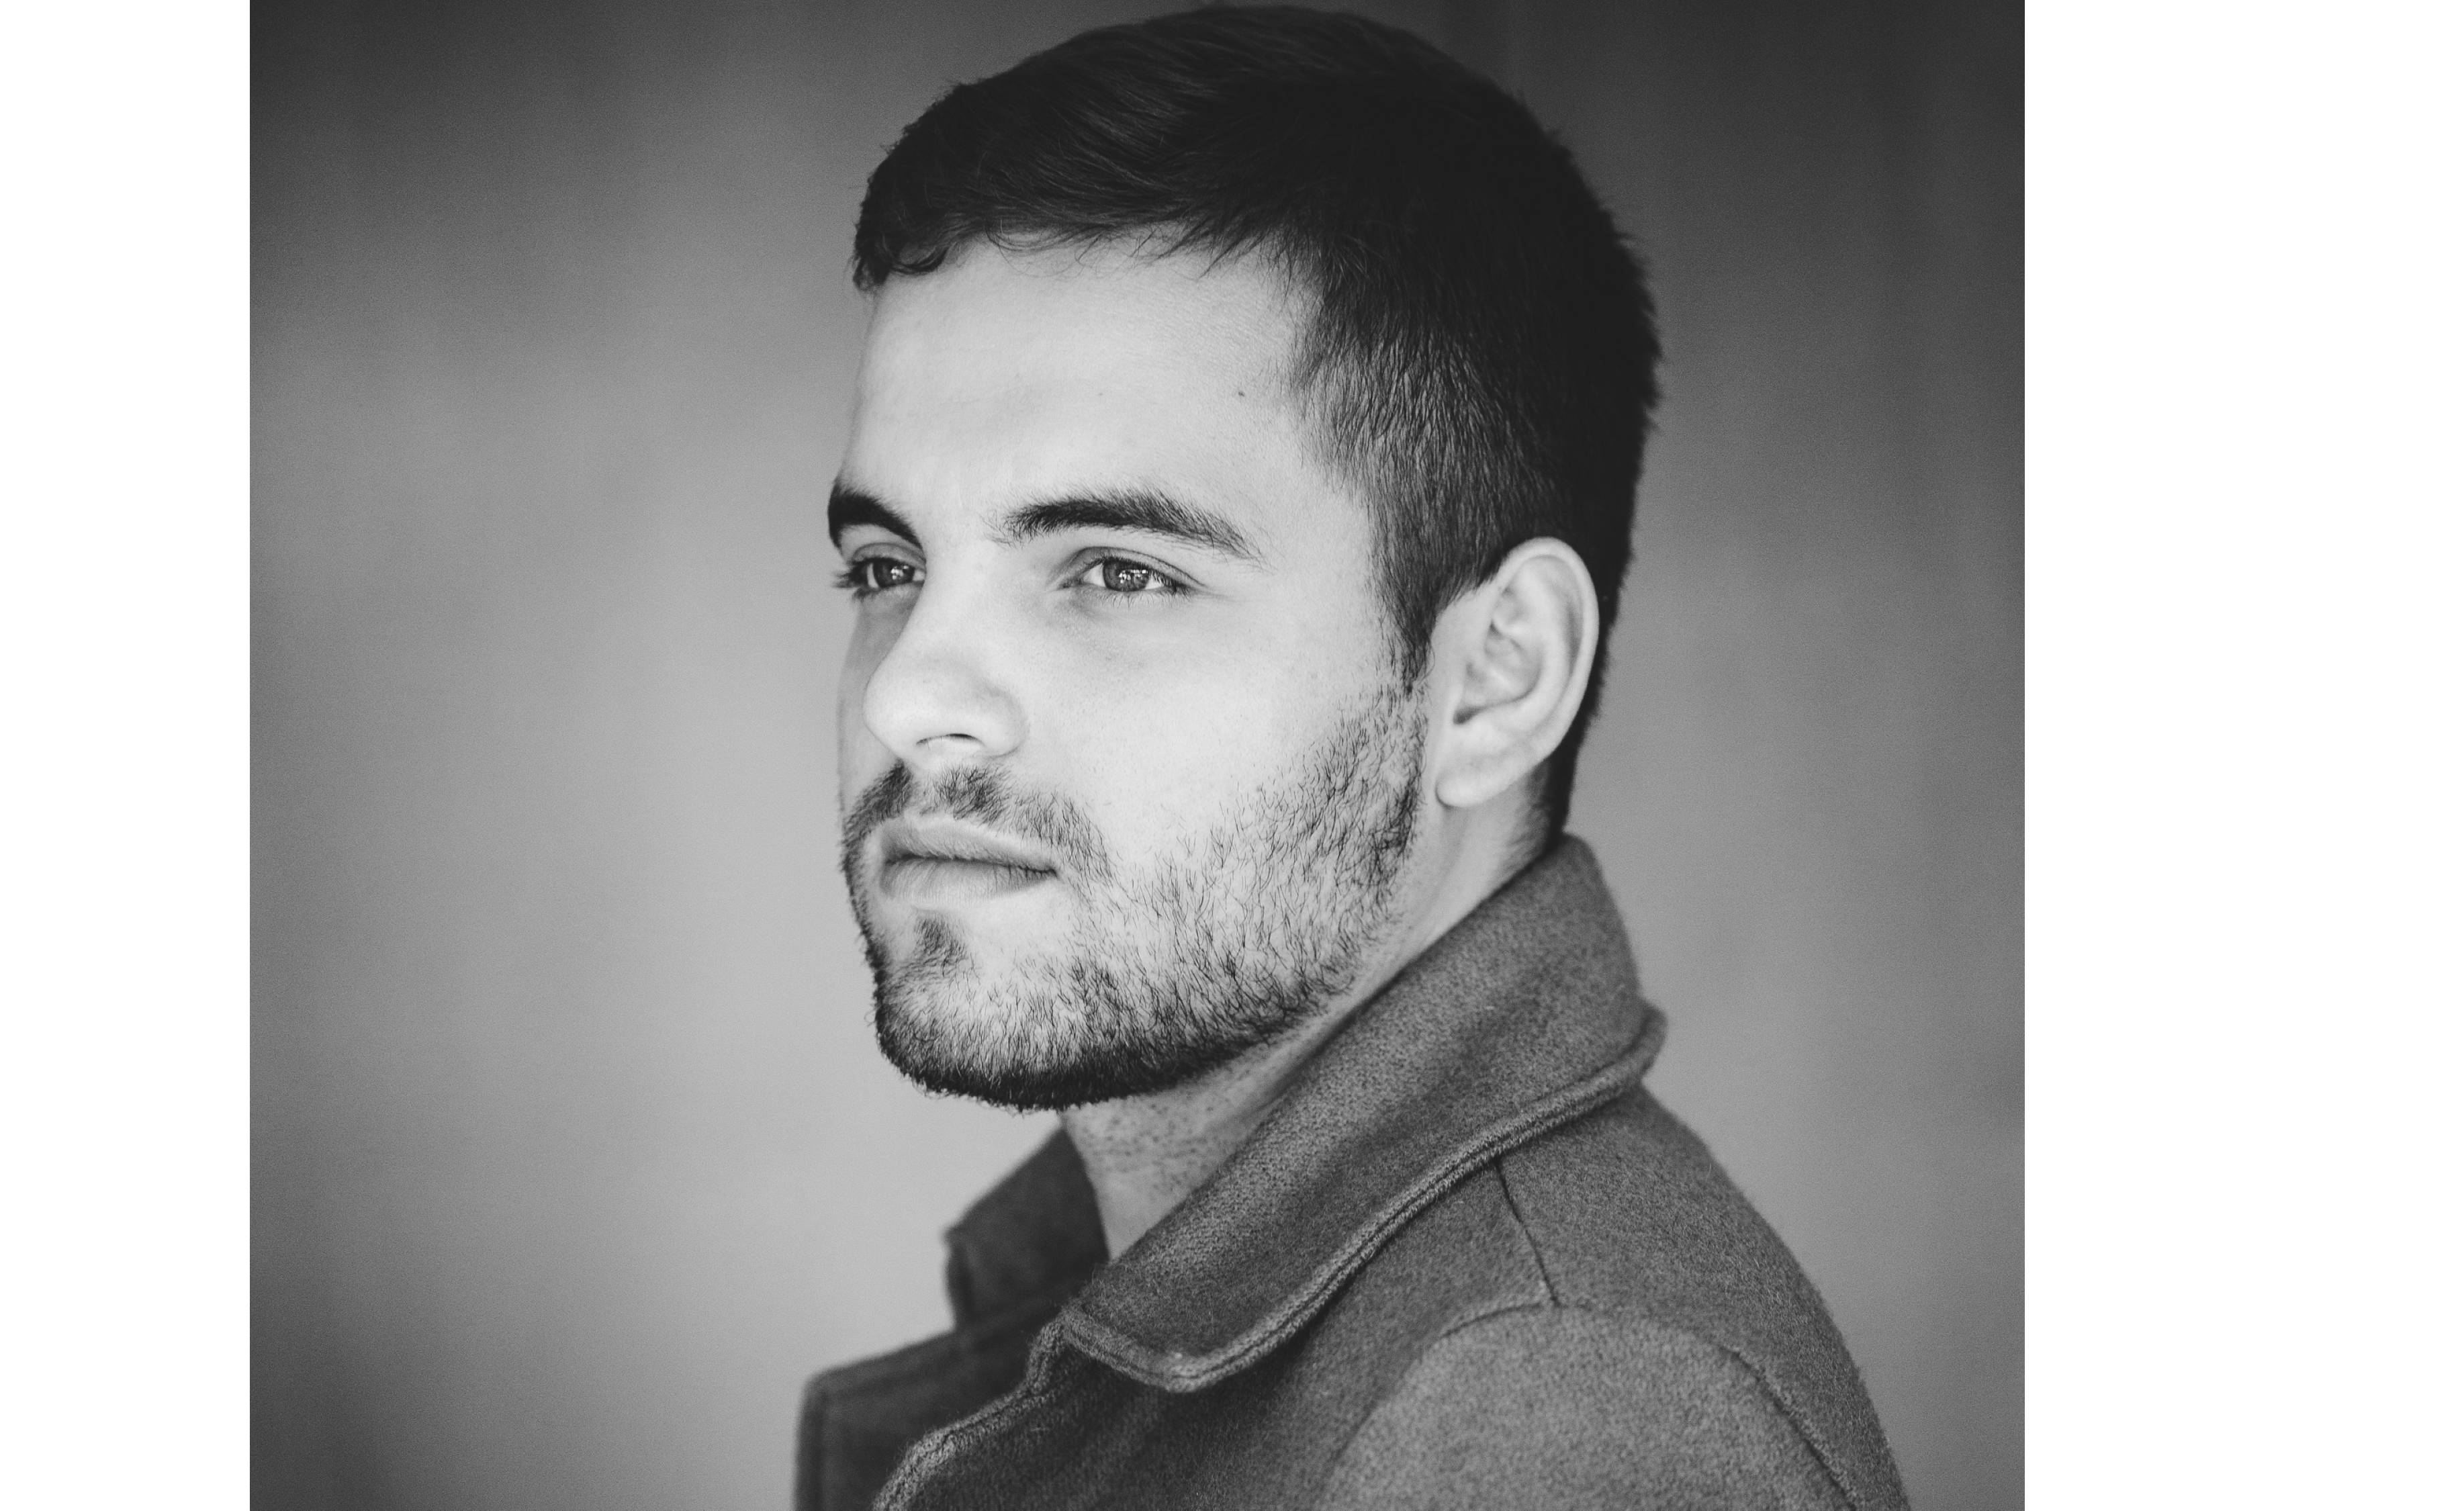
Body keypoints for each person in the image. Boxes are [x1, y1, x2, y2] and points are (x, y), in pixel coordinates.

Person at [798, 8, 1907, 1508]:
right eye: (887, 568)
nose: (910, 694)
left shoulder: (1558, 1427)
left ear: (1495, 677)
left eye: (1117, 571)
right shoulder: (1241, 1310)